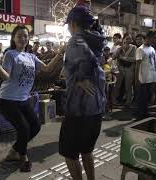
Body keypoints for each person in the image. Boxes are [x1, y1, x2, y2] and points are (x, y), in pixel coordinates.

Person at [0, 25, 66, 172]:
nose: (22, 38)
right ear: (13, 38)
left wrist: (60, 53)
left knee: (36, 126)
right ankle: (23, 157)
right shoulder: (10, 54)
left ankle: (14, 151)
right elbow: (6, 77)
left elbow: (47, 68)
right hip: (7, 100)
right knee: (24, 129)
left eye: (25, 36)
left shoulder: (31, 56)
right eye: (19, 36)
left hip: (23, 99)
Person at [59, 6, 106, 180]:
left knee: (69, 153)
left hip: (78, 110)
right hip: (96, 109)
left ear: (72, 23)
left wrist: (78, 77)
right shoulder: (98, 41)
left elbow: (68, 73)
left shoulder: (75, 41)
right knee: (87, 150)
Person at [135, 31, 156, 120]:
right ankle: (140, 115)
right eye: (155, 38)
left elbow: (154, 63)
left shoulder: (152, 48)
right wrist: (137, 78)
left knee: (148, 97)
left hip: (152, 77)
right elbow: (137, 65)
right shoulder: (140, 49)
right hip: (144, 78)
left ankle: (144, 113)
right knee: (142, 97)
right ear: (149, 38)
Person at [112, 33, 137, 106]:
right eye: (126, 38)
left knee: (128, 86)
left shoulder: (134, 47)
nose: (128, 40)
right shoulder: (120, 47)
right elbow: (113, 57)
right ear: (123, 39)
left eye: (129, 39)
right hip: (120, 69)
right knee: (117, 85)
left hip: (129, 69)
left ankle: (128, 101)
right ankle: (114, 100)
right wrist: (118, 49)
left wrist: (123, 58)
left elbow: (134, 59)